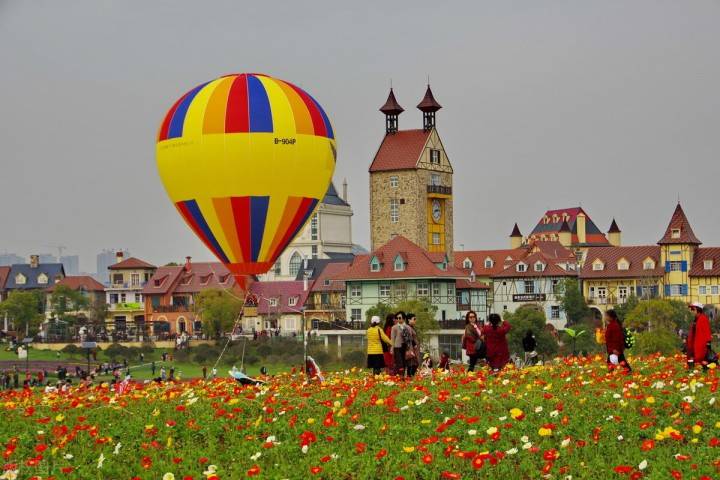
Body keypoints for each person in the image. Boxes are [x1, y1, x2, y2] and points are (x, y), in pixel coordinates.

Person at [687, 302, 712, 369]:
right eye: (691, 309)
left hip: (701, 344)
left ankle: (704, 374)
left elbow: (707, 331)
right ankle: (692, 373)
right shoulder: (696, 319)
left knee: (701, 360)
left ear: (698, 309)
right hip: (694, 344)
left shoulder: (703, 318)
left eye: (693, 309)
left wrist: (708, 343)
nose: (692, 311)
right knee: (692, 359)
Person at [390, 311, 408, 377]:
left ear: (403, 318)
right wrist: (392, 348)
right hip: (397, 346)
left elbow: (409, 338)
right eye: (397, 318)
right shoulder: (394, 327)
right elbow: (392, 338)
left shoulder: (407, 327)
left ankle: (403, 376)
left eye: (399, 318)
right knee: (399, 362)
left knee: (404, 361)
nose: (398, 319)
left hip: (405, 346)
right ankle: (400, 376)